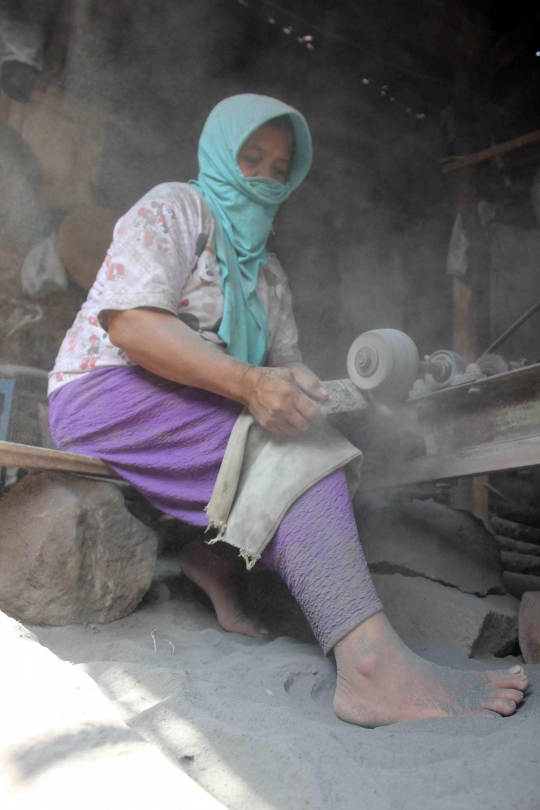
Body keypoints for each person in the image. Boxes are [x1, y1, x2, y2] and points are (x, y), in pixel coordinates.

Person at [48, 94, 528, 727]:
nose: (267, 179)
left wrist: (328, 397)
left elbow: (286, 373)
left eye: (280, 168)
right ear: (219, 153)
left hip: (185, 403)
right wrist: (249, 383)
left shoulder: (268, 274)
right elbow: (132, 324)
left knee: (321, 435)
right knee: (294, 452)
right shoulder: (175, 208)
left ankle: (213, 561)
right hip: (105, 392)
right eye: (252, 159)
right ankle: (370, 673)